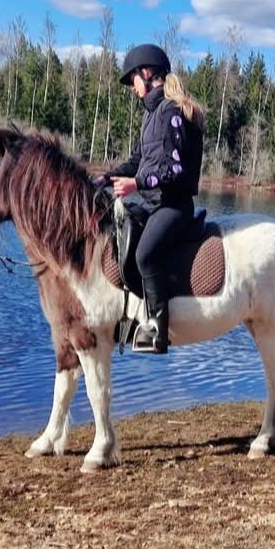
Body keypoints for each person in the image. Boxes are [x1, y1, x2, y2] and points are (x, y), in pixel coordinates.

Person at [97, 43, 205, 354]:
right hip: (153, 203)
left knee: (145, 254)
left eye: (132, 80)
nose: (132, 88)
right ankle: (133, 314)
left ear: (146, 73)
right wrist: (104, 179)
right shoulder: (151, 115)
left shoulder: (171, 112)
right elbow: (137, 161)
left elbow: (174, 170)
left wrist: (136, 184)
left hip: (173, 205)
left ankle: (159, 330)